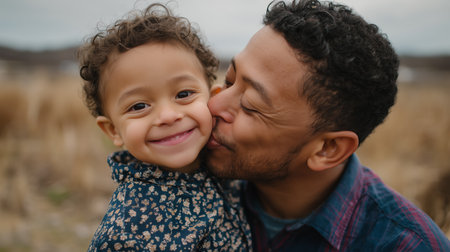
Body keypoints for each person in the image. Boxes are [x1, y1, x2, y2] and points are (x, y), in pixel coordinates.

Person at [205, 0, 450, 251]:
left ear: (328, 148)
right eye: (229, 81)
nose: (212, 106)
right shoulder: (188, 181)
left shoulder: (404, 245)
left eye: (250, 105)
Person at [77, 4, 251, 251]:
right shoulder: (127, 230)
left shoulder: (228, 164)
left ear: (211, 99)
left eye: (183, 93)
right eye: (138, 106)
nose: (168, 116)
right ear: (113, 130)